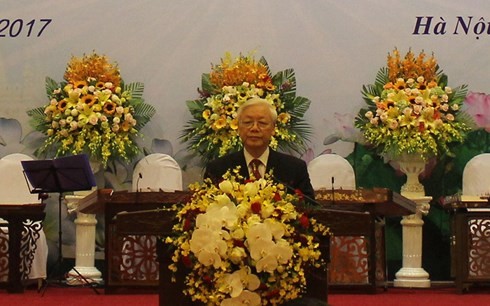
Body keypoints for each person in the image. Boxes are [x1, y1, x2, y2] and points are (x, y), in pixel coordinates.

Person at [204, 97, 315, 200]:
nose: (254, 128)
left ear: (273, 128)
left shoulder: (294, 168)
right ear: (238, 127)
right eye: (248, 122)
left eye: (262, 123)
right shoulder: (217, 168)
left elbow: (310, 209)